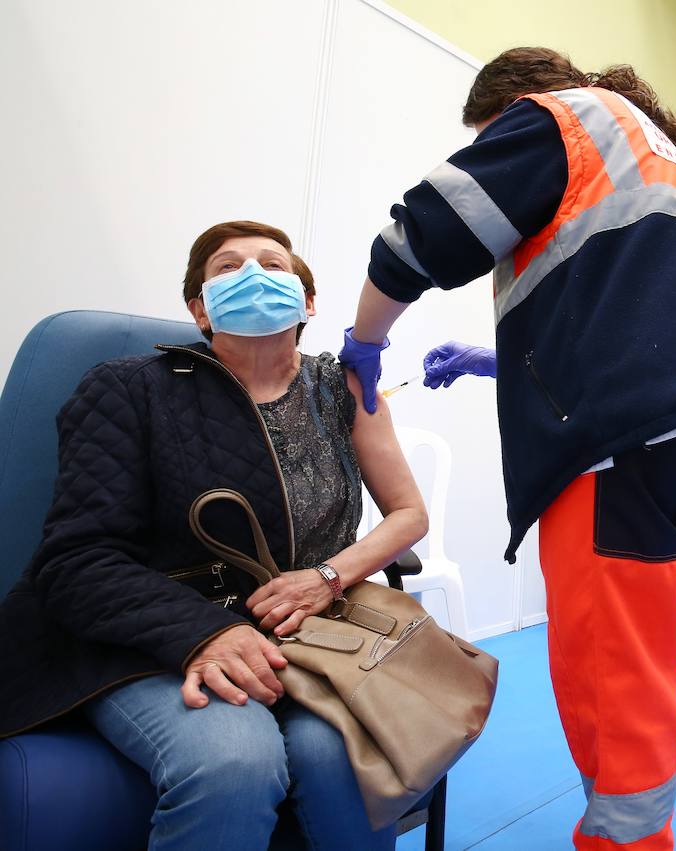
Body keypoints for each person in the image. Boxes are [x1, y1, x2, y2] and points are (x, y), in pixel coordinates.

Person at [338, 47, 676, 850]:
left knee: (608, 671)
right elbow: (632, 323)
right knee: (638, 657)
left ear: (509, 108)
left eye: (488, 135)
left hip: (623, 445)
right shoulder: (647, 151)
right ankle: (630, 826)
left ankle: (626, 840)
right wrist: (494, 359)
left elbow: (424, 233)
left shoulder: (557, 119)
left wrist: (365, 340)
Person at [0, 221, 428, 849]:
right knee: (234, 760)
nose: (253, 275)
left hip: (306, 633)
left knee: (342, 757)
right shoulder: (127, 389)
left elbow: (407, 513)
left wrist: (328, 576)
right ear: (199, 308)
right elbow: (78, 559)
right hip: (144, 636)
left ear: (308, 302)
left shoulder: (343, 388)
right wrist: (203, 632)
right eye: (227, 268)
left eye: (273, 264)